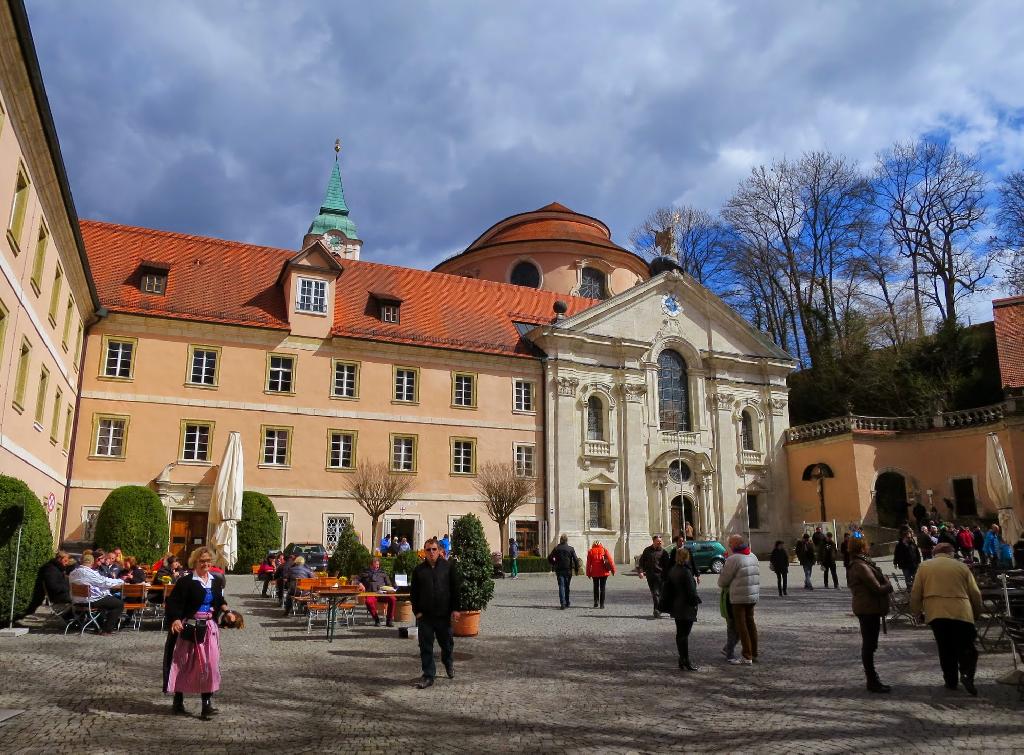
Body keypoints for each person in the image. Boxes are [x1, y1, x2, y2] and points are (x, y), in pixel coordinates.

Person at [164, 546, 238, 719]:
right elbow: (173, 603)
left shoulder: (216, 580)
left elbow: (220, 600)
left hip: (209, 629)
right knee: (184, 664)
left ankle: (207, 704)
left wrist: (228, 612)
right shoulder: (186, 581)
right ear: (195, 562)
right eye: (202, 561)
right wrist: (175, 619)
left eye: (208, 561)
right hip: (189, 628)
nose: (206, 564)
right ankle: (178, 700)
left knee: (210, 665)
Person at [910, 542, 983, 695]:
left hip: (937, 613)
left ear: (935, 553)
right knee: (967, 647)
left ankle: (950, 681)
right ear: (951, 553)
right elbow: (975, 593)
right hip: (962, 612)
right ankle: (966, 673)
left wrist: (916, 612)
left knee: (945, 648)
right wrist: (977, 612)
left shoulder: (925, 567)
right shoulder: (961, 567)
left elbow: (916, 592)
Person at [410, 537, 461, 689]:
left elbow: (455, 589)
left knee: (447, 644)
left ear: (439, 551)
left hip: (443, 615)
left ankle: (448, 662)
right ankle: (428, 675)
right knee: (425, 646)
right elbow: (414, 593)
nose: (431, 552)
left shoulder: (448, 567)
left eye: (434, 549)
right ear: (424, 552)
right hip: (425, 616)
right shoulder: (419, 570)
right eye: (428, 550)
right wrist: (417, 612)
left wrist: (456, 609)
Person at [847, 538, 894, 693]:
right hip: (868, 609)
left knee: (870, 645)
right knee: (869, 645)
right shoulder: (860, 566)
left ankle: (872, 679)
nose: (868, 548)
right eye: (866, 546)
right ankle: (872, 680)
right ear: (862, 548)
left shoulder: (859, 564)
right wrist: (888, 584)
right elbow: (877, 588)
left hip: (868, 608)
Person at [718, 534, 760, 665]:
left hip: (738, 598)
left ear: (735, 545)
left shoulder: (733, 559)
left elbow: (723, 581)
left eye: (730, 544)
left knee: (742, 627)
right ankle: (754, 652)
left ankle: (747, 656)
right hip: (752, 596)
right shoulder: (753, 555)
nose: (729, 546)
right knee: (751, 625)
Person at [664, 547, 701, 671]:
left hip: (676, 605)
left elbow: (668, 589)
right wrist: (696, 602)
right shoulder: (686, 571)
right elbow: (691, 591)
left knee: (680, 634)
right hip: (686, 606)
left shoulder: (673, 570)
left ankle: (682, 659)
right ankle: (685, 660)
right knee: (684, 634)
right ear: (686, 557)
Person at [69, 554, 124, 635]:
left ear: (81, 561)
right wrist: (121, 581)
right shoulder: (89, 573)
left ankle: (99, 626)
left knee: (106, 600)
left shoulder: (73, 573)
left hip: (77, 601)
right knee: (119, 604)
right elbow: (104, 582)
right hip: (89, 601)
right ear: (92, 563)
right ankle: (107, 629)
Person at [27, 550, 74, 618]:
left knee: (81, 600)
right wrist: (68, 587)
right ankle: (73, 619)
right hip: (57, 597)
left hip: (60, 595)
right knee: (80, 600)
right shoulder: (51, 569)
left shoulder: (56, 568)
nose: (67, 563)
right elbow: (53, 586)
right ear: (59, 559)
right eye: (65, 560)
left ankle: (73, 619)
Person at [356, 557, 397, 627]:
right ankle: (376, 620)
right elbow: (356, 580)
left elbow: (389, 584)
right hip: (370, 593)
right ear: (370, 565)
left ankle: (389, 620)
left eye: (377, 565)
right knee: (368, 602)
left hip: (382, 594)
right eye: (374, 565)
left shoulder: (383, 573)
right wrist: (360, 584)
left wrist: (389, 589)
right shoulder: (365, 572)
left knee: (393, 599)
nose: (376, 566)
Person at [637, 534, 668, 617]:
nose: (659, 543)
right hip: (650, 575)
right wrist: (640, 571)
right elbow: (641, 562)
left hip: (661, 576)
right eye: (658, 541)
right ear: (653, 541)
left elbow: (667, 565)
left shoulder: (663, 552)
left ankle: (657, 610)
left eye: (660, 541)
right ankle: (657, 610)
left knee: (659, 594)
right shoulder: (647, 550)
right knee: (654, 593)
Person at [548, 534, 581, 609]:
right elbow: (576, 560)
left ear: (561, 540)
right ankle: (567, 602)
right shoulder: (571, 549)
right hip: (568, 570)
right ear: (567, 540)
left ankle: (563, 603)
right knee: (567, 586)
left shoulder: (556, 548)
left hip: (559, 569)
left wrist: (554, 563)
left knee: (561, 586)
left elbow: (550, 557)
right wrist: (576, 569)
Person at [585, 540, 615, 608]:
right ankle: (602, 604)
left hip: (594, 572)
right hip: (604, 573)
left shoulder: (590, 551)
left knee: (595, 587)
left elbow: (588, 564)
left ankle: (596, 602)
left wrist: (588, 573)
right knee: (602, 588)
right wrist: (613, 570)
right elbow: (610, 560)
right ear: (601, 544)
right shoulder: (604, 550)